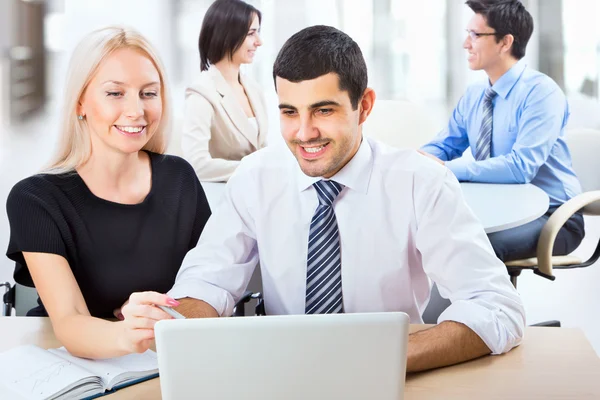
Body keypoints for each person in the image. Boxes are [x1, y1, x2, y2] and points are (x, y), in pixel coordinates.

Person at [127, 25, 525, 373]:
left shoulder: (421, 182)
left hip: (390, 376)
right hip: (284, 374)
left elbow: (496, 306)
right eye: (289, 112)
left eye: (323, 110)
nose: (303, 133)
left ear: (363, 106)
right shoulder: (255, 177)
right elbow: (208, 280)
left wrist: (380, 361)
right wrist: (173, 319)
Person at [5, 26, 211, 359]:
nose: (136, 111)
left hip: (166, 359)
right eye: (115, 93)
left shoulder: (180, 179)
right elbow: (70, 322)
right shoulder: (35, 200)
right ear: (80, 103)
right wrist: (130, 332)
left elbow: (208, 284)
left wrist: (166, 318)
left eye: (148, 93)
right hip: (75, 370)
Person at [420, 0, 584, 262]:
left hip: (554, 217)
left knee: (473, 247)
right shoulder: (475, 94)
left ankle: (494, 305)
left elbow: (520, 167)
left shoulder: (541, 93)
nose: (466, 44)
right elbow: (445, 145)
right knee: (429, 236)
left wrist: (447, 169)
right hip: (498, 209)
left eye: (475, 35)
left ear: (505, 42)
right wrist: (417, 162)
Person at [182, 0, 268, 182]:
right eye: (251, 33)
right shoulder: (201, 93)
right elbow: (196, 165)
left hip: (260, 194)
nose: (259, 42)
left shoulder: (254, 89)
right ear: (227, 35)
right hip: (224, 197)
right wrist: (256, 168)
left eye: (258, 33)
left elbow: (262, 149)